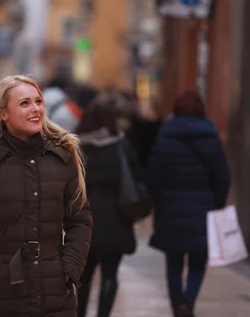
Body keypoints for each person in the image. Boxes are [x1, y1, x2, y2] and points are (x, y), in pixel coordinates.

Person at [0, 75, 93, 316]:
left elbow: (80, 220)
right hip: (2, 298)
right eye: (25, 103)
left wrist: (70, 268)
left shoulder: (62, 158)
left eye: (38, 101)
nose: (36, 108)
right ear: (3, 113)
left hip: (56, 297)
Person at [146, 91, 230, 317]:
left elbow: (154, 174)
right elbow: (221, 174)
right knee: (198, 260)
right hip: (203, 206)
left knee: (173, 262)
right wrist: (217, 202)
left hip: (170, 206)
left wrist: (156, 200)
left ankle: (177, 308)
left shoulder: (165, 135)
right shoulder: (210, 135)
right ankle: (189, 299)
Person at [75, 101, 144, 317]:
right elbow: (137, 177)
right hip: (116, 218)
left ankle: (80, 313)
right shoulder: (121, 146)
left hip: (83, 220)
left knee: (83, 277)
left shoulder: (76, 148)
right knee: (110, 274)